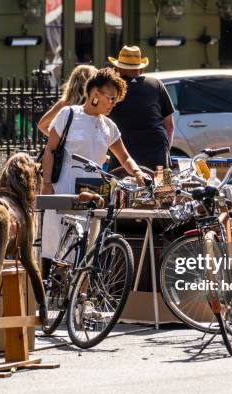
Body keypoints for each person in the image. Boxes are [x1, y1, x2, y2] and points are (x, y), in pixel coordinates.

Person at [40, 68, 148, 259]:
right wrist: (47, 184)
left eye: (116, 100)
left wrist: (138, 172)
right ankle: (56, 288)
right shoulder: (69, 114)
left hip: (94, 190)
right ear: (95, 94)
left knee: (88, 249)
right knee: (60, 249)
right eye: (112, 98)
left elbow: (124, 157)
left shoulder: (108, 125)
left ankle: (81, 289)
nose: (113, 104)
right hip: (65, 186)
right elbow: (50, 149)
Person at [107, 45, 175, 171]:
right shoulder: (156, 84)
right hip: (157, 156)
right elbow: (169, 125)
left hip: (123, 158)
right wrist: (165, 151)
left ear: (118, 68)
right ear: (141, 69)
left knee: (120, 189)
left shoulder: (111, 88)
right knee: (162, 190)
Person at [38, 64, 97, 136]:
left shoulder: (96, 102)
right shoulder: (65, 103)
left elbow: (42, 126)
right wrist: (63, 140)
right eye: (94, 81)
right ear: (86, 83)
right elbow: (42, 125)